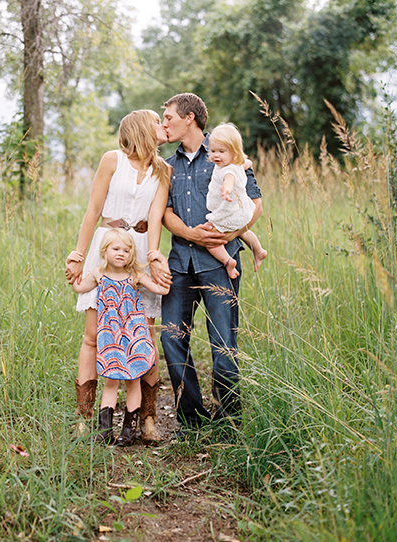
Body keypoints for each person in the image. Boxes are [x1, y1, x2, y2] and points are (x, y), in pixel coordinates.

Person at [148, 93, 263, 430]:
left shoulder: (227, 149)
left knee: (224, 342)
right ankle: (192, 420)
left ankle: (229, 421)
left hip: (219, 263)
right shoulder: (166, 165)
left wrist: (229, 233)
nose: (164, 123)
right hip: (180, 262)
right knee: (172, 337)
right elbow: (164, 213)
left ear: (190, 118)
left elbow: (255, 204)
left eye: (168, 117)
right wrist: (192, 234)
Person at [65, 109, 173, 444]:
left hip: (138, 249)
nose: (163, 125)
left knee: (144, 335)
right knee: (95, 334)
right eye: (158, 120)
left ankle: (148, 420)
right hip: (107, 246)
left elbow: (155, 218)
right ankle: (86, 418)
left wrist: (154, 256)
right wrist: (78, 255)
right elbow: (93, 210)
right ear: (142, 127)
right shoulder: (112, 160)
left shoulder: (164, 170)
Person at [71, 228, 169, 445]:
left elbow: (162, 290)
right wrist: (72, 262)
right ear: (105, 250)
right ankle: (104, 430)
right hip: (110, 339)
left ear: (132, 254)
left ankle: (129, 430)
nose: (121, 253)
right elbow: (78, 286)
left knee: (133, 382)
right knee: (111, 382)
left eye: (126, 250)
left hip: (133, 337)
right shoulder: (99, 274)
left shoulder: (135, 276)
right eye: (116, 249)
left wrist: (161, 263)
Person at [205, 123, 267, 278]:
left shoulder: (229, 170)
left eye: (221, 151)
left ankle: (228, 262)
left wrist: (226, 189)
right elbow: (247, 163)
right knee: (244, 232)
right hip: (241, 211)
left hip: (230, 210)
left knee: (210, 238)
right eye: (213, 151)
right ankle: (258, 250)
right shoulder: (236, 163)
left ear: (234, 153)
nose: (216, 155)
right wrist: (246, 163)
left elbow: (229, 179)